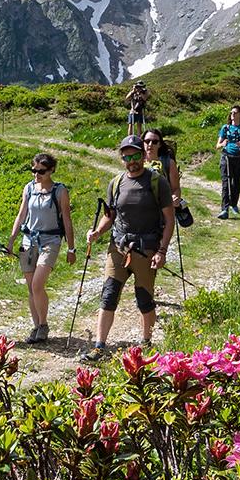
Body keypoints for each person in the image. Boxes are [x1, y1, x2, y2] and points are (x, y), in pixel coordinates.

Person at [82, 134, 175, 360]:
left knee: (144, 299)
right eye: (126, 157)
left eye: (135, 155)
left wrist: (161, 251)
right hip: (119, 247)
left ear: (143, 156)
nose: (131, 161)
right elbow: (111, 216)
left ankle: (146, 344)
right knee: (108, 294)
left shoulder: (156, 182)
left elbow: (169, 219)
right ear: (122, 159)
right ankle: (99, 346)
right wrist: (97, 232)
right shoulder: (115, 183)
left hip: (146, 248)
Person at [8, 152, 76, 343]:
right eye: (34, 170)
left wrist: (71, 249)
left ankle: (43, 324)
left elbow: (67, 221)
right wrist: (12, 240)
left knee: (38, 284)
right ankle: (36, 326)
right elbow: (21, 215)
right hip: (28, 241)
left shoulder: (60, 191)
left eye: (41, 171)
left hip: (50, 241)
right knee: (31, 287)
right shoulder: (29, 188)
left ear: (51, 170)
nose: (37, 175)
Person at [217, 105, 240, 219]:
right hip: (226, 157)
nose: (232, 114)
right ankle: (225, 209)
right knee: (226, 182)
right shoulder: (225, 128)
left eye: (235, 112)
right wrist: (223, 144)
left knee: (236, 183)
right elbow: (217, 145)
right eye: (231, 112)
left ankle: (234, 204)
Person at [142, 127, 181, 206]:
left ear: (159, 144)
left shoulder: (168, 163)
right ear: (142, 142)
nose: (150, 144)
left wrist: (175, 198)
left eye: (155, 142)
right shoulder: (136, 161)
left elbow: (176, 188)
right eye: (147, 141)